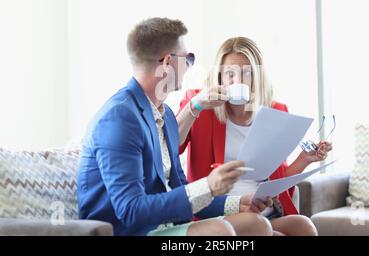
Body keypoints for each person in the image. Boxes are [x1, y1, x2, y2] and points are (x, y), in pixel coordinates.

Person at [77, 19, 274, 236]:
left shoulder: (166, 115)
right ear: (168, 62)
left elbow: (180, 187)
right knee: (220, 232)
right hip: (133, 231)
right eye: (188, 58)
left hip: (166, 227)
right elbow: (131, 211)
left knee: (258, 225)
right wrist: (208, 186)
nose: (190, 65)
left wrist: (237, 204)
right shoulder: (118, 118)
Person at [177, 36, 333, 236]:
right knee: (267, 231)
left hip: (263, 212)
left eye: (246, 73)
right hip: (220, 214)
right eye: (230, 74)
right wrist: (195, 106)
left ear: (257, 77)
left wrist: (304, 159)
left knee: (304, 226)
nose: (238, 81)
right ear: (219, 77)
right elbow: (174, 145)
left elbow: (278, 178)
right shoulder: (202, 107)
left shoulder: (276, 111)